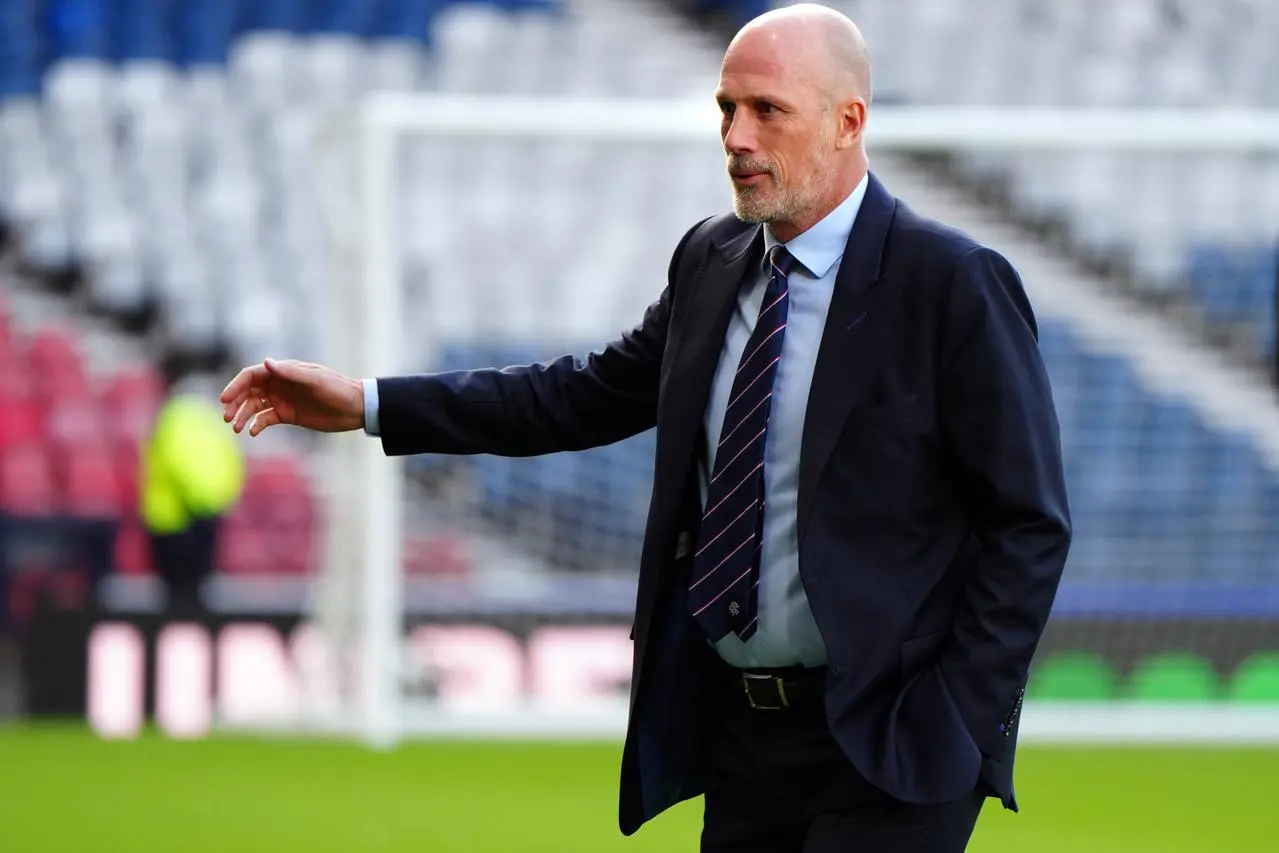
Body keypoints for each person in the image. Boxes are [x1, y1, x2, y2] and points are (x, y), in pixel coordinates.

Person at [221, 5, 1071, 850]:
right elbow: (579, 395)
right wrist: (371, 403)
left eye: (765, 110)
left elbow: (1027, 522)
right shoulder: (711, 260)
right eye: (725, 108)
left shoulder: (951, 283)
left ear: (847, 121)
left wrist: (955, 716)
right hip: (743, 739)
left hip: (891, 742)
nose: (735, 136)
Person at [143, 369, 245, 611]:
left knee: (180, 598)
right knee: (188, 594)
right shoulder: (207, 419)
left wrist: (208, 499)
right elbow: (228, 462)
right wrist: (215, 499)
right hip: (184, 518)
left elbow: (179, 461)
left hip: (174, 519)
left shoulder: (174, 416)